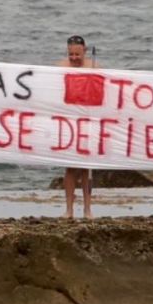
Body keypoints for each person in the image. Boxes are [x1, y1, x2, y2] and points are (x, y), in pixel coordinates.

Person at [57, 34, 95, 220]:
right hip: (68, 121)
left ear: (84, 51)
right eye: (70, 54)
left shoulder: (93, 67)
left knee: (86, 168)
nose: (74, 58)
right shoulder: (60, 67)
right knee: (70, 168)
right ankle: (69, 209)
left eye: (77, 54)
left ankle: (87, 209)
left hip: (87, 121)